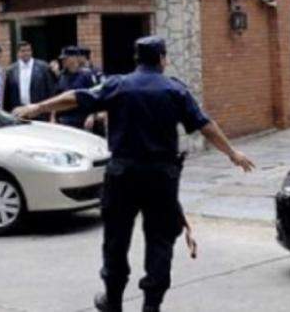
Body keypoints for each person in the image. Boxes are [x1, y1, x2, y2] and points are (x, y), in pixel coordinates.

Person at [14, 36, 254, 312]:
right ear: (162, 59)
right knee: (160, 240)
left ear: (137, 59)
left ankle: (113, 301)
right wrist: (232, 153)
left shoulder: (119, 85)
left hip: (122, 176)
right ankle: (151, 305)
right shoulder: (175, 90)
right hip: (161, 178)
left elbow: (78, 98)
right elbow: (205, 124)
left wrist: (38, 107)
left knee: (116, 238)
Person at [2, 41, 56, 114]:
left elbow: (50, 91)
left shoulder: (43, 67)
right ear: (18, 53)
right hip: (19, 111)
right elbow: (7, 95)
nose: (26, 53)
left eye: (28, 50)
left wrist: (52, 113)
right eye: (23, 51)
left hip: (39, 110)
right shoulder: (11, 70)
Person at [54, 45, 97, 130]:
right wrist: (53, 117)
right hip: (63, 119)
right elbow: (56, 97)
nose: (63, 61)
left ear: (74, 58)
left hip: (81, 120)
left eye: (65, 58)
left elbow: (94, 97)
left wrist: (91, 116)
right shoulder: (62, 76)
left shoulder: (86, 75)